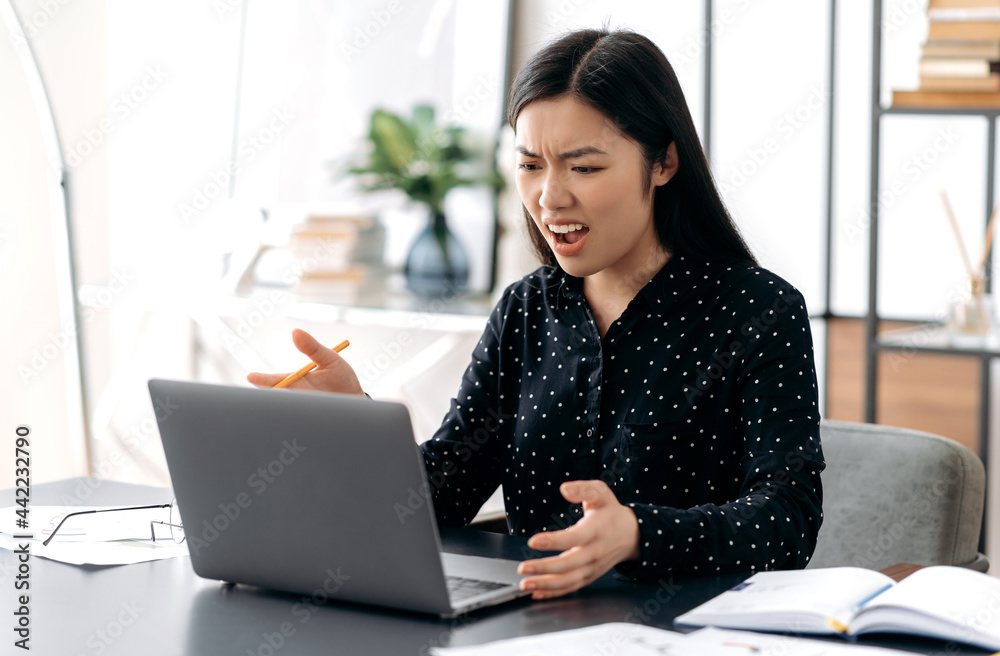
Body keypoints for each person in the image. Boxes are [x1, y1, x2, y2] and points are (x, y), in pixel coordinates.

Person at [248, 27, 824, 601]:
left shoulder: (759, 310)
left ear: (663, 162)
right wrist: (356, 427)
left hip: (685, 634)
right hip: (526, 628)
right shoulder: (527, 309)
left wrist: (639, 533)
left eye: (585, 168)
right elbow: (444, 494)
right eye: (530, 165)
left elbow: (787, 520)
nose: (550, 197)